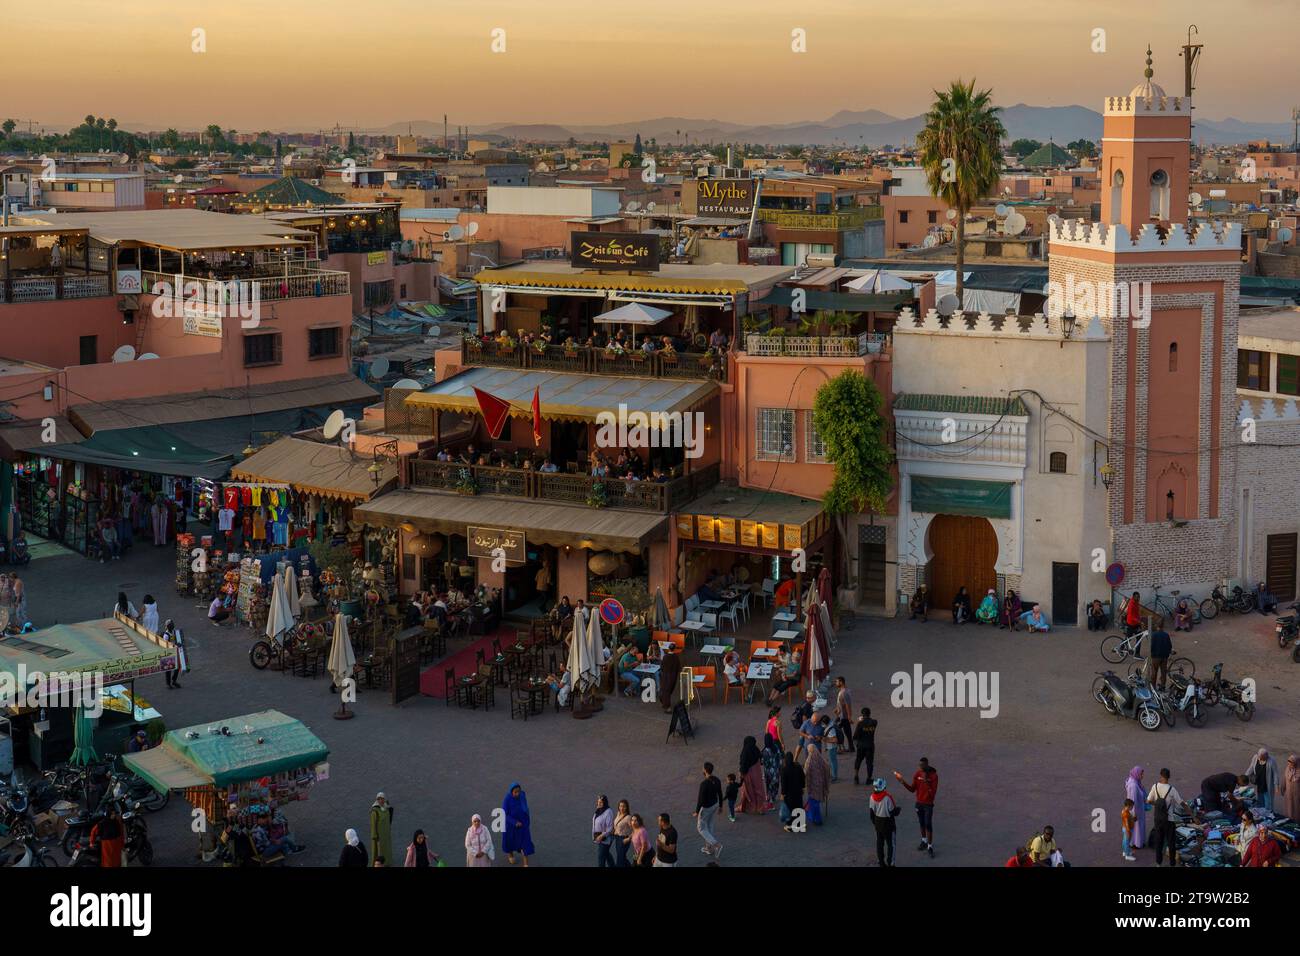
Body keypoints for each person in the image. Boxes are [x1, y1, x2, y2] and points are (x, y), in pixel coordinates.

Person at [894, 757, 939, 858]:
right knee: (922, 823)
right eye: (920, 765)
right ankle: (924, 840)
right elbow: (912, 789)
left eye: (922, 766)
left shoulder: (934, 776)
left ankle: (930, 846)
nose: (920, 767)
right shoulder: (917, 774)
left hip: (928, 804)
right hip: (919, 803)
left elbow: (933, 794)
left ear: (927, 765)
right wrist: (902, 781)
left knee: (928, 824)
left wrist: (926, 781)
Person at [1146, 767, 1184, 867]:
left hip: (1158, 819)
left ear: (1161, 776)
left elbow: (1148, 800)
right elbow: (1181, 802)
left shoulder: (1155, 786)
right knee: (1171, 843)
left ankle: (1158, 863)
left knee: (1159, 841)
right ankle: (1172, 864)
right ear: (1169, 777)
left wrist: (1158, 805)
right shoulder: (1172, 790)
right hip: (1169, 820)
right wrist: (1193, 815)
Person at [694, 762, 723, 858]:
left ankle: (716, 845)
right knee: (709, 825)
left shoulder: (704, 784)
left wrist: (697, 811)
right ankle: (708, 848)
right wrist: (721, 806)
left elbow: (700, 799)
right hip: (715, 805)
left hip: (706, 808)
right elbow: (720, 793)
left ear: (705, 770)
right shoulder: (717, 780)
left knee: (701, 828)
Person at [869, 778, 901, 866]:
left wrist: (875, 823)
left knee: (879, 844)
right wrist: (898, 810)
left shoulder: (871, 797)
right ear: (884, 787)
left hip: (878, 823)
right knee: (891, 845)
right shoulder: (887, 797)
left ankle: (881, 862)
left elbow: (871, 814)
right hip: (888, 824)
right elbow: (893, 812)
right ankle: (891, 863)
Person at [502, 782, 534, 866]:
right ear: (511, 792)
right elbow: (504, 814)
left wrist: (526, 821)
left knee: (525, 844)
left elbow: (525, 808)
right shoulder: (507, 799)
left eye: (518, 791)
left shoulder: (522, 795)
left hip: (522, 825)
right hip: (510, 826)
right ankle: (510, 855)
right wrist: (514, 822)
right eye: (515, 792)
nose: (517, 794)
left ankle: (526, 864)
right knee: (510, 842)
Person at [736, 736, 767, 815]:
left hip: (748, 774)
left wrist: (742, 774)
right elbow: (760, 757)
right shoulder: (755, 749)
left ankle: (745, 807)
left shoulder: (745, 752)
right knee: (758, 789)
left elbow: (743, 764)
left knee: (746, 791)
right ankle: (761, 808)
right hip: (756, 772)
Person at [780, 751, 805, 831]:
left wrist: (783, 793)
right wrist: (803, 787)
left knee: (790, 808)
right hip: (798, 791)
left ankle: (790, 825)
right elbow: (803, 777)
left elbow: (783, 783)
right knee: (799, 806)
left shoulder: (784, 769)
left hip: (789, 793)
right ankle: (800, 824)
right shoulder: (798, 767)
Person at [804, 745, 830, 825]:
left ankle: (816, 819)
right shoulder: (821, 759)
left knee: (814, 803)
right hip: (820, 784)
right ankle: (814, 817)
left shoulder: (809, 761)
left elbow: (806, 773)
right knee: (815, 802)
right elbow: (827, 768)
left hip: (813, 785)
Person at [853, 707, 878, 785]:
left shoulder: (860, 724)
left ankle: (856, 777)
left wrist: (859, 722)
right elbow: (873, 721)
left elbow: (855, 736)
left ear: (862, 715)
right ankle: (868, 778)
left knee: (858, 761)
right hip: (870, 745)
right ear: (869, 714)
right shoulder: (874, 722)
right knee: (869, 763)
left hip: (861, 745)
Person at [1124, 767, 1147, 849]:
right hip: (1136, 811)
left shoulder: (1134, 781)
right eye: (1141, 774)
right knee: (1137, 828)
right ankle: (1136, 843)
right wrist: (1134, 814)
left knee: (1136, 827)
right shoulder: (1134, 786)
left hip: (1138, 810)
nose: (1142, 776)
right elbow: (1132, 801)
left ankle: (1135, 842)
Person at [369, 792, 393, 867]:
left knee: (387, 852)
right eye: (379, 799)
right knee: (379, 852)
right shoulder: (375, 811)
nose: (381, 800)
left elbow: (389, 821)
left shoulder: (387, 809)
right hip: (379, 836)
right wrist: (375, 836)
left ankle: (387, 864)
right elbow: (373, 824)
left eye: (382, 799)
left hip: (386, 835)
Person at [593, 794, 615, 867]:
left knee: (601, 858)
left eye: (601, 802)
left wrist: (601, 835)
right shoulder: (598, 810)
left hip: (605, 839)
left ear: (605, 803)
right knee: (606, 855)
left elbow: (610, 828)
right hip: (599, 837)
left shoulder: (608, 812)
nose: (599, 804)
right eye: (598, 802)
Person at [833, 676, 853, 755]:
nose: (836, 683)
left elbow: (847, 705)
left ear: (841, 682)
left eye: (837, 682)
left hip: (844, 717)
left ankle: (841, 748)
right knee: (847, 732)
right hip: (841, 715)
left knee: (836, 730)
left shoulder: (844, 692)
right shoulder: (844, 691)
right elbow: (842, 703)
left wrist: (849, 717)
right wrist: (837, 709)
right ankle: (851, 747)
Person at [162, 620, 185, 688]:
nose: (172, 626)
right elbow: (165, 645)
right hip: (168, 653)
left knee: (177, 667)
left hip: (175, 652)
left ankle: (174, 681)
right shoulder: (166, 635)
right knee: (168, 669)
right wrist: (175, 644)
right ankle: (168, 684)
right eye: (170, 625)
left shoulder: (173, 632)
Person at [612, 799, 635, 867]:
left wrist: (629, 838)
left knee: (620, 859)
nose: (622, 808)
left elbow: (635, 830)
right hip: (617, 838)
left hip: (624, 839)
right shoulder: (618, 814)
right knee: (622, 857)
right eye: (620, 806)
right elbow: (616, 825)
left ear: (627, 807)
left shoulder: (628, 817)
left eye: (624, 806)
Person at [1280, 754, 1300, 822]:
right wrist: (1282, 788)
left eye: (1291, 763)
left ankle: (1296, 822)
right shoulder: (1288, 768)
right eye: (1289, 763)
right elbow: (1284, 779)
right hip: (1288, 793)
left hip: (1297, 795)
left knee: (1296, 809)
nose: (1290, 765)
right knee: (1289, 808)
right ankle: (1288, 821)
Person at [820, 715, 839, 781]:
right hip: (830, 747)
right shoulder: (831, 723)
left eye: (823, 723)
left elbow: (835, 740)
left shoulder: (831, 729)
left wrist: (825, 740)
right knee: (832, 761)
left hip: (832, 747)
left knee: (833, 762)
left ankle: (834, 776)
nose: (822, 724)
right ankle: (833, 775)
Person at [1120, 798, 1137, 862]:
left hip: (1125, 829)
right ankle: (1127, 855)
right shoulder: (1126, 814)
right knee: (1127, 842)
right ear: (1128, 806)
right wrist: (1128, 831)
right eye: (1132, 806)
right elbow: (1127, 823)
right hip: (1128, 830)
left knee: (1125, 841)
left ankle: (1125, 852)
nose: (1132, 808)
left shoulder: (1125, 811)